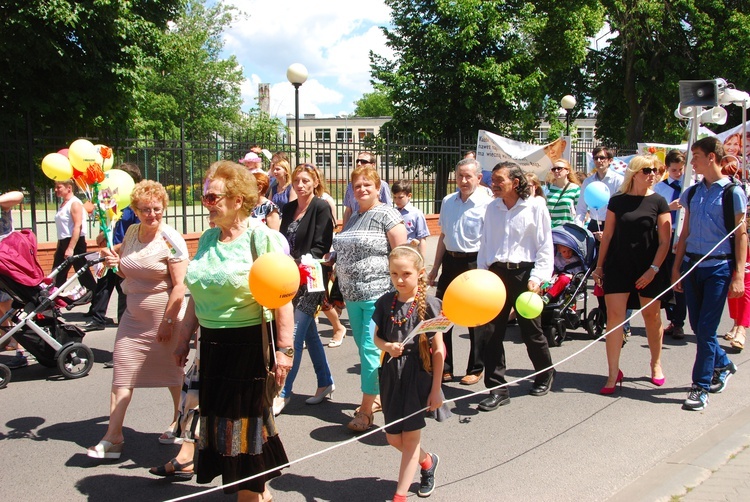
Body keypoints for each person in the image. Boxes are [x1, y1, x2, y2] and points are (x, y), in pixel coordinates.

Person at [174, 160, 293, 500]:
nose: (205, 203)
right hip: (211, 346)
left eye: (212, 197)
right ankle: (258, 492)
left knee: (244, 430)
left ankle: (252, 494)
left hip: (248, 347)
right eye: (204, 196)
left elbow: (282, 298)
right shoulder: (209, 237)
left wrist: (285, 351)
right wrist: (184, 338)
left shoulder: (262, 239)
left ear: (238, 200)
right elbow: (197, 293)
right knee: (224, 429)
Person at [87, 180, 189, 460]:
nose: (151, 215)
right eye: (145, 209)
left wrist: (168, 323)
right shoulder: (131, 232)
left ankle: (181, 423)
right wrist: (112, 263)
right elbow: (128, 272)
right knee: (122, 374)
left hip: (163, 316)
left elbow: (179, 286)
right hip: (132, 318)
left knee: (173, 375)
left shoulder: (170, 238)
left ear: (164, 209)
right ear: (135, 209)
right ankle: (114, 436)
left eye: (157, 209)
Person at [330, 163, 407, 432]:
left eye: (367, 185)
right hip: (352, 294)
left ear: (378, 188)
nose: (361, 189)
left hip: (378, 294)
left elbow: (402, 255)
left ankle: (365, 411)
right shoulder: (353, 218)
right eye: (357, 186)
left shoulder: (388, 214)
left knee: (371, 349)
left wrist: (405, 292)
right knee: (366, 351)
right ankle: (378, 398)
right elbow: (341, 249)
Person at [673, 137, 747, 411]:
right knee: (697, 327)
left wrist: (738, 275)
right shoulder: (691, 193)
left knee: (706, 329)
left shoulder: (732, 192)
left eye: (697, 156)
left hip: (719, 267)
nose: (693, 161)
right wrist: (675, 269)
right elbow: (685, 233)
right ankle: (723, 364)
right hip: (693, 266)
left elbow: (740, 236)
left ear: (712, 158)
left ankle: (700, 386)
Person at [475, 162, 555, 411]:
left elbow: (545, 245)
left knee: (531, 330)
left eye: (499, 180)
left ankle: (544, 374)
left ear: (516, 182)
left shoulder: (536, 206)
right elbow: (485, 243)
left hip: (525, 275)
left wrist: (539, 277)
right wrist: (482, 275)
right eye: (493, 179)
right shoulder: (492, 208)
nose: (493, 184)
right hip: (496, 274)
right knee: (490, 333)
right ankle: (497, 388)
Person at [373, 244, 450, 500]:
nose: (399, 279)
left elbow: (439, 349)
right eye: (394, 274)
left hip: (418, 375)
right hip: (391, 374)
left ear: (420, 272)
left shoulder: (429, 303)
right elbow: (377, 338)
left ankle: (400, 495)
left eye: (405, 273)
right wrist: (387, 347)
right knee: (394, 438)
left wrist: (436, 388)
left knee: (411, 439)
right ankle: (428, 462)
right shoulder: (386, 302)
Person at [592, 155, 671, 394]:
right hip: (618, 265)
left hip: (648, 266)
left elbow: (665, 240)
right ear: (635, 173)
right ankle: (613, 373)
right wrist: (599, 265)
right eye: (647, 170)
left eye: (655, 170)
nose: (652, 174)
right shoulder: (618, 201)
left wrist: (653, 269)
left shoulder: (659, 201)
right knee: (614, 319)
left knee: (652, 317)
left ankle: (655, 364)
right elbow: (607, 235)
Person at [275, 163, 335, 415]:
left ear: (315, 182)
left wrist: (299, 263)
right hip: (288, 279)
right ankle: (325, 382)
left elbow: (321, 245)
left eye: (305, 181)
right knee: (309, 333)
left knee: (295, 335)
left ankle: (283, 392)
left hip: (311, 279)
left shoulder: (321, 207)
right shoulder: (288, 208)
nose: (300, 185)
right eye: (297, 180)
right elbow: (280, 241)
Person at [427, 158, 492, 386]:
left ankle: (476, 367)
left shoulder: (488, 202)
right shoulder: (448, 201)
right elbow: (443, 236)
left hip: (474, 263)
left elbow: (490, 240)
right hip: (450, 263)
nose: (463, 181)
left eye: (468, 176)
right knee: (442, 315)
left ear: (478, 178)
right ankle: (444, 365)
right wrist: (435, 267)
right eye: (460, 176)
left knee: (475, 318)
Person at [83, 163, 142, 333]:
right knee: (103, 284)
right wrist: (102, 235)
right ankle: (97, 318)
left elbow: (136, 235)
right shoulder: (110, 200)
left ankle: (124, 326)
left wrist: (116, 248)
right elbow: (106, 226)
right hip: (109, 251)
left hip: (125, 253)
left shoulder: (135, 206)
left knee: (124, 290)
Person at [575, 147, 623, 315]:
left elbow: (620, 209)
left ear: (610, 160)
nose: (599, 161)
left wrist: (611, 232)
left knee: (610, 269)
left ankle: (615, 310)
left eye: (603, 158)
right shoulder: (589, 182)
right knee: (594, 268)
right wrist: (579, 229)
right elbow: (581, 208)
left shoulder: (618, 180)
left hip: (612, 225)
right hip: (594, 225)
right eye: (596, 158)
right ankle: (602, 308)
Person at [652, 150, 687, 340]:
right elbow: (654, 211)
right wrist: (669, 207)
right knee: (665, 278)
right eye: (674, 170)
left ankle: (679, 321)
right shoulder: (660, 188)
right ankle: (671, 318)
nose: (678, 173)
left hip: (682, 236)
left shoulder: (689, 186)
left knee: (679, 278)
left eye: (681, 169)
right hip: (666, 234)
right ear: (667, 169)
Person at [314, 168, 347, 348]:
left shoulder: (325, 200)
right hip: (301, 256)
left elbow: (331, 228)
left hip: (320, 255)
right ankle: (305, 333)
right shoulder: (297, 202)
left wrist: (331, 254)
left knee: (321, 296)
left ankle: (338, 327)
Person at [51, 179, 96, 292]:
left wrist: (70, 248)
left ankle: (96, 300)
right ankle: (53, 304)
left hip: (74, 243)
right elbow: (63, 228)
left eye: (59, 187)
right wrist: (60, 247)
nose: (56, 190)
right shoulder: (64, 204)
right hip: (64, 242)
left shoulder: (74, 203)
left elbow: (78, 226)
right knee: (57, 274)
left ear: (69, 188)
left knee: (82, 273)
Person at [0, 190, 26, 368]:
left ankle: (21, 351)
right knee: (2, 310)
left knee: (8, 308)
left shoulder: (3, 205)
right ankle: (7, 340)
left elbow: (19, 195)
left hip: (5, 264)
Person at [342, 152, 393, 227]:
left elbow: (388, 208)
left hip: (373, 226)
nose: (359, 164)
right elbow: (348, 210)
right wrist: (344, 229)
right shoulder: (350, 185)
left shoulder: (382, 185)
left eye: (363, 161)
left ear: (373, 165)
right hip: (354, 226)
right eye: (357, 161)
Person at [725, 217, 750, 351]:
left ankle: (742, 328)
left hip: (747, 243)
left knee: (745, 284)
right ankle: (736, 323)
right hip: (733, 241)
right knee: (732, 284)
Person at [391, 180, 430, 257]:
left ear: (409, 196)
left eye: (400, 197)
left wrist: (421, 260)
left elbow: (422, 239)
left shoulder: (416, 214)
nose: (396, 200)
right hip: (395, 254)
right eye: (394, 197)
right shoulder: (392, 212)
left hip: (411, 254)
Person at [546, 159, 581, 227]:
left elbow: (580, 212)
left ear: (567, 171)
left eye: (559, 168)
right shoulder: (548, 188)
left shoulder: (575, 189)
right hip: (550, 229)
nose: (556, 171)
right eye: (554, 169)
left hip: (567, 229)